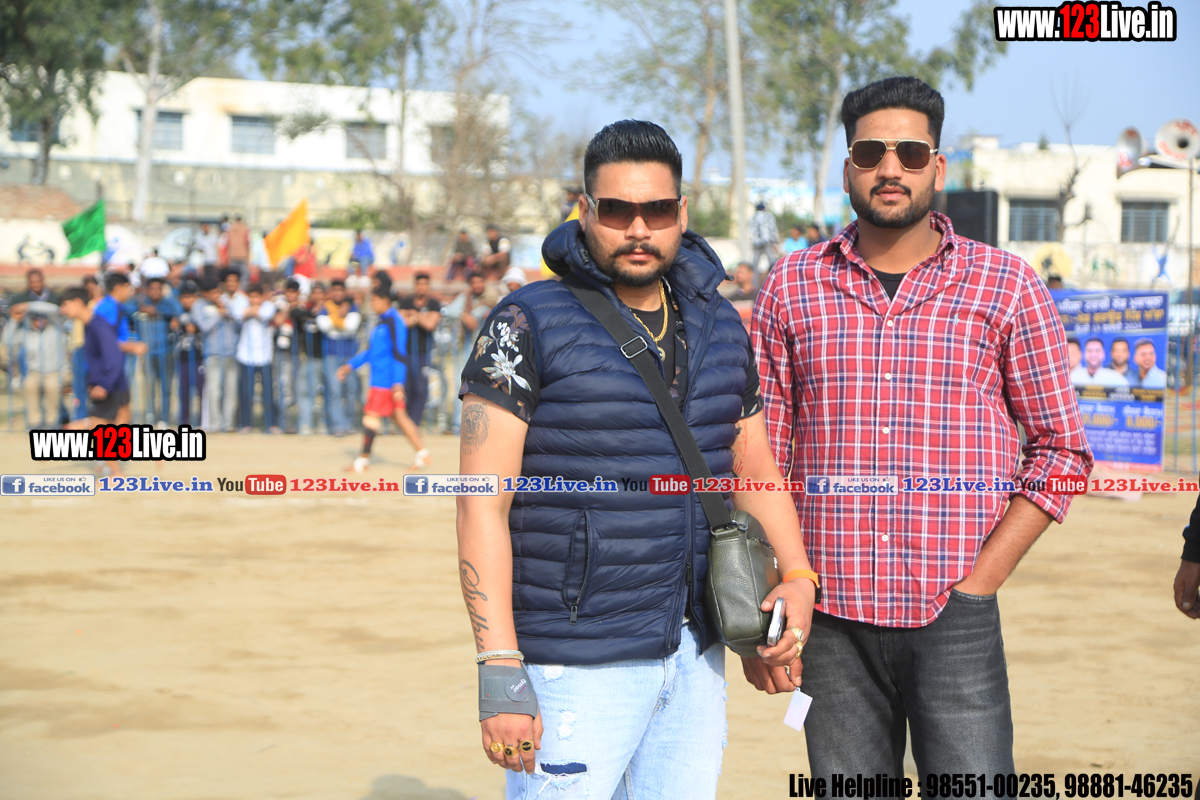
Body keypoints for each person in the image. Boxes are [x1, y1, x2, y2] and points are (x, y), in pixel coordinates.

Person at [455, 119, 814, 796]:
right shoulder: (526, 322)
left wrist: (796, 577)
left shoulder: (720, 323)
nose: (639, 228)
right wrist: (499, 664)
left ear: (683, 212)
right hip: (575, 662)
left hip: (696, 652)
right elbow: (481, 503)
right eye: (617, 210)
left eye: (657, 209)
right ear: (585, 211)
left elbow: (755, 471)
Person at [751, 76, 1094, 777]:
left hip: (955, 614)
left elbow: (1062, 451)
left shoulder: (1006, 286)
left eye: (910, 153)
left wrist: (980, 583)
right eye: (870, 152)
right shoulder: (791, 285)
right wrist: (778, 593)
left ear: (937, 167)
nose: (890, 169)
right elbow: (762, 457)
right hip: (828, 617)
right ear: (847, 168)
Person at [337, 287, 430, 472]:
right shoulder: (382, 321)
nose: (372, 304)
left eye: (374, 300)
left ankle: (362, 460)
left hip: (385, 380)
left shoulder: (394, 321)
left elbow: (400, 353)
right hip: (382, 378)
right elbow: (371, 352)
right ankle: (423, 453)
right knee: (400, 416)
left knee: (371, 416)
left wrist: (398, 383)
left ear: (384, 300)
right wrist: (350, 366)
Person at [61, 287, 129, 474]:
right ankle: (109, 466)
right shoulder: (89, 325)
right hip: (111, 383)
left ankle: (117, 473)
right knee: (113, 429)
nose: (63, 310)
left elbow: (114, 357)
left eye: (66, 305)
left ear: (77, 302)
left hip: (110, 385)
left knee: (101, 431)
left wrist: (104, 384)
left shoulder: (98, 326)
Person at [443, 273, 499, 433]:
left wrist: (477, 314)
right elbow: (448, 311)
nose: (477, 286)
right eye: (474, 283)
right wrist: (464, 315)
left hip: (487, 351)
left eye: (480, 282)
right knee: (461, 384)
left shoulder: (492, 298)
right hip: (466, 348)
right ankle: (458, 423)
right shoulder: (466, 298)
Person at [1, 301, 68, 428]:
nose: (40, 321)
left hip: (54, 371)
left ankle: (52, 422)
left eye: (42, 318)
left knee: (52, 386)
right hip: (34, 372)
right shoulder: (26, 333)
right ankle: (34, 422)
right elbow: (7, 340)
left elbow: (55, 309)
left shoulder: (56, 328)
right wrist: (14, 320)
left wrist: (28, 305)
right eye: (36, 319)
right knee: (29, 385)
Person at [195, 273, 242, 432]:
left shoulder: (226, 303)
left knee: (231, 391)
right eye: (214, 292)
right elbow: (204, 327)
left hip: (231, 353)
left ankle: (228, 424)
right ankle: (215, 423)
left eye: (218, 292)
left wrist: (228, 312)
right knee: (214, 391)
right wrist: (218, 314)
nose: (217, 295)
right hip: (213, 354)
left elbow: (238, 325)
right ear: (205, 293)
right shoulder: (199, 305)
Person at [133, 277, 182, 427]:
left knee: (166, 388)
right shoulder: (141, 304)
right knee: (149, 387)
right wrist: (143, 308)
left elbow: (179, 311)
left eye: (158, 289)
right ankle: (150, 416)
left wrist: (158, 312)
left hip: (166, 352)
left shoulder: (168, 303)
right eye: (152, 289)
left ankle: (164, 418)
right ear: (147, 290)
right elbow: (129, 309)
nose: (155, 292)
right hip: (148, 354)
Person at [317, 278, 362, 436]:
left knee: (351, 390)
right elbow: (324, 326)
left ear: (344, 292)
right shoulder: (325, 307)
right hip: (331, 355)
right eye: (334, 290)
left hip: (349, 356)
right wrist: (340, 315)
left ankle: (349, 422)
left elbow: (351, 326)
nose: (337, 293)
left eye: (340, 290)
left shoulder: (352, 307)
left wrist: (334, 318)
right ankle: (338, 425)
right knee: (334, 391)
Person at [396, 272, 441, 426]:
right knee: (406, 386)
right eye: (419, 284)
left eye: (425, 284)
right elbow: (402, 322)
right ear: (415, 285)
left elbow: (430, 324)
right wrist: (422, 317)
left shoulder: (433, 303)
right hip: (406, 351)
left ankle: (414, 422)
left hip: (424, 352)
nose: (422, 287)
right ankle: (406, 421)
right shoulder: (406, 301)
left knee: (421, 387)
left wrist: (414, 315)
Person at [234, 282, 279, 433]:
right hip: (245, 356)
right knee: (246, 392)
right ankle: (246, 424)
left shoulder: (269, 306)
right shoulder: (241, 304)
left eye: (256, 297)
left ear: (262, 297)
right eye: (251, 297)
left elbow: (266, 314)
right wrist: (253, 310)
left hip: (265, 356)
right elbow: (237, 314)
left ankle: (271, 424)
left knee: (268, 392)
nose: (254, 300)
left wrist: (249, 311)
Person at [175, 282, 205, 427]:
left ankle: (202, 421)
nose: (188, 300)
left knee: (201, 390)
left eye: (190, 297)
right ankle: (184, 421)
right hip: (183, 357)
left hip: (199, 357)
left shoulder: (201, 312)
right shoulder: (178, 313)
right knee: (184, 392)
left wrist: (196, 329)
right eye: (184, 297)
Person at [750, 201, 780, 279]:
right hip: (767, 241)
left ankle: (754, 283)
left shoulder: (753, 217)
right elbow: (773, 228)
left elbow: (750, 231)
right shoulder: (769, 216)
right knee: (772, 263)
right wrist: (776, 241)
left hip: (756, 243)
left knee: (755, 264)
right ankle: (774, 280)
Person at [226, 215, 251, 280]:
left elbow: (227, 243)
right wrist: (248, 257)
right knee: (244, 275)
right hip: (243, 255)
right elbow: (248, 243)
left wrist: (228, 256)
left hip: (232, 255)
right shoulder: (245, 229)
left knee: (234, 275)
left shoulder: (230, 229)